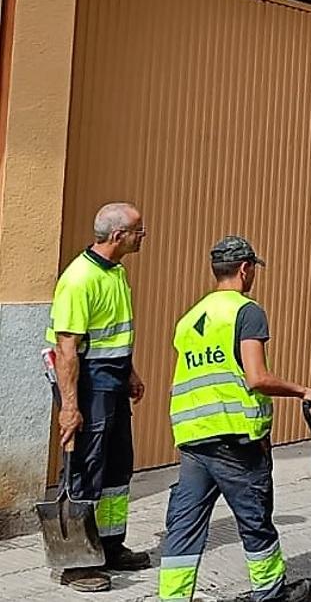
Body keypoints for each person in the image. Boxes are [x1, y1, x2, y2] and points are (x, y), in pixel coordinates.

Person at [158, 237, 311, 602]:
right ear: (246, 269)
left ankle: (172, 597)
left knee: (185, 525)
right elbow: (257, 377)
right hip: (235, 439)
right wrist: (302, 391)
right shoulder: (247, 312)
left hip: (193, 438)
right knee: (255, 521)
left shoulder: (189, 319)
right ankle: (270, 593)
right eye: (253, 270)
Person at [47, 202, 150, 593]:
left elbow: (113, 334)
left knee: (117, 464)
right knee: (85, 466)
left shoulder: (115, 272)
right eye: (139, 231)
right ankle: (76, 563)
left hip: (111, 378)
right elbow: (67, 348)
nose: (143, 236)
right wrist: (70, 408)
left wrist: (130, 372)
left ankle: (109, 545)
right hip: (85, 381)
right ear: (117, 236)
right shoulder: (79, 279)